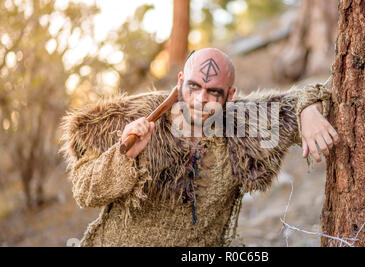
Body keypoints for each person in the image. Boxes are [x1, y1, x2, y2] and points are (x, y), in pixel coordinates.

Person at [60, 48, 339, 246]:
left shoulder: (244, 124)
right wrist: (124, 155)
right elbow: (85, 194)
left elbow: (309, 95)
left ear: (230, 95)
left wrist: (309, 110)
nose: (200, 99)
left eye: (213, 92)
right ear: (180, 82)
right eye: (193, 87)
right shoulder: (134, 120)